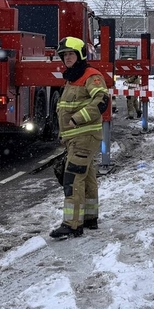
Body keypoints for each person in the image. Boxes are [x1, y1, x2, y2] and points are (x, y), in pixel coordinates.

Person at [50, 36, 110, 239]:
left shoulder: (90, 76)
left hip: (85, 137)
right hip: (77, 139)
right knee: (87, 177)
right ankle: (89, 217)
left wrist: (77, 119)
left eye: (71, 54)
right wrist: (64, 134)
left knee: (73, 179)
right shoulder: (72, 78)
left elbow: (102, 100)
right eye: (64, 55)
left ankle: (72, 224)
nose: (67, 58)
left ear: (80, 55)